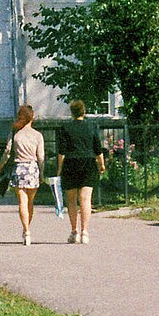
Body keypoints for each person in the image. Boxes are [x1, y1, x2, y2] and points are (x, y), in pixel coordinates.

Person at [0, 104, 45, 245]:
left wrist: (0, 167)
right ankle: (28, 227)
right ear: (32, 117)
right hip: (32, 168)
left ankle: (26, 230)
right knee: (30, 202)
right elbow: (41, 157)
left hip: (19, 168)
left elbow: (7, 152)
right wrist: (42, 173)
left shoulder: (15, 133)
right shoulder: (37, 135)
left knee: (22, 202)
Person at [56, 99, 104, 244]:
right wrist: (101, 164)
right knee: (85, 199)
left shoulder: (65, 128)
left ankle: (74, 231)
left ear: (72, 112)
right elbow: (98, 148)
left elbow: (61, 152)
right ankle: (85, 232)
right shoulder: (92, 126)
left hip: (70, 163)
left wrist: (59, 169)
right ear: (84, 111)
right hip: (88, 162)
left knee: (71, 199)